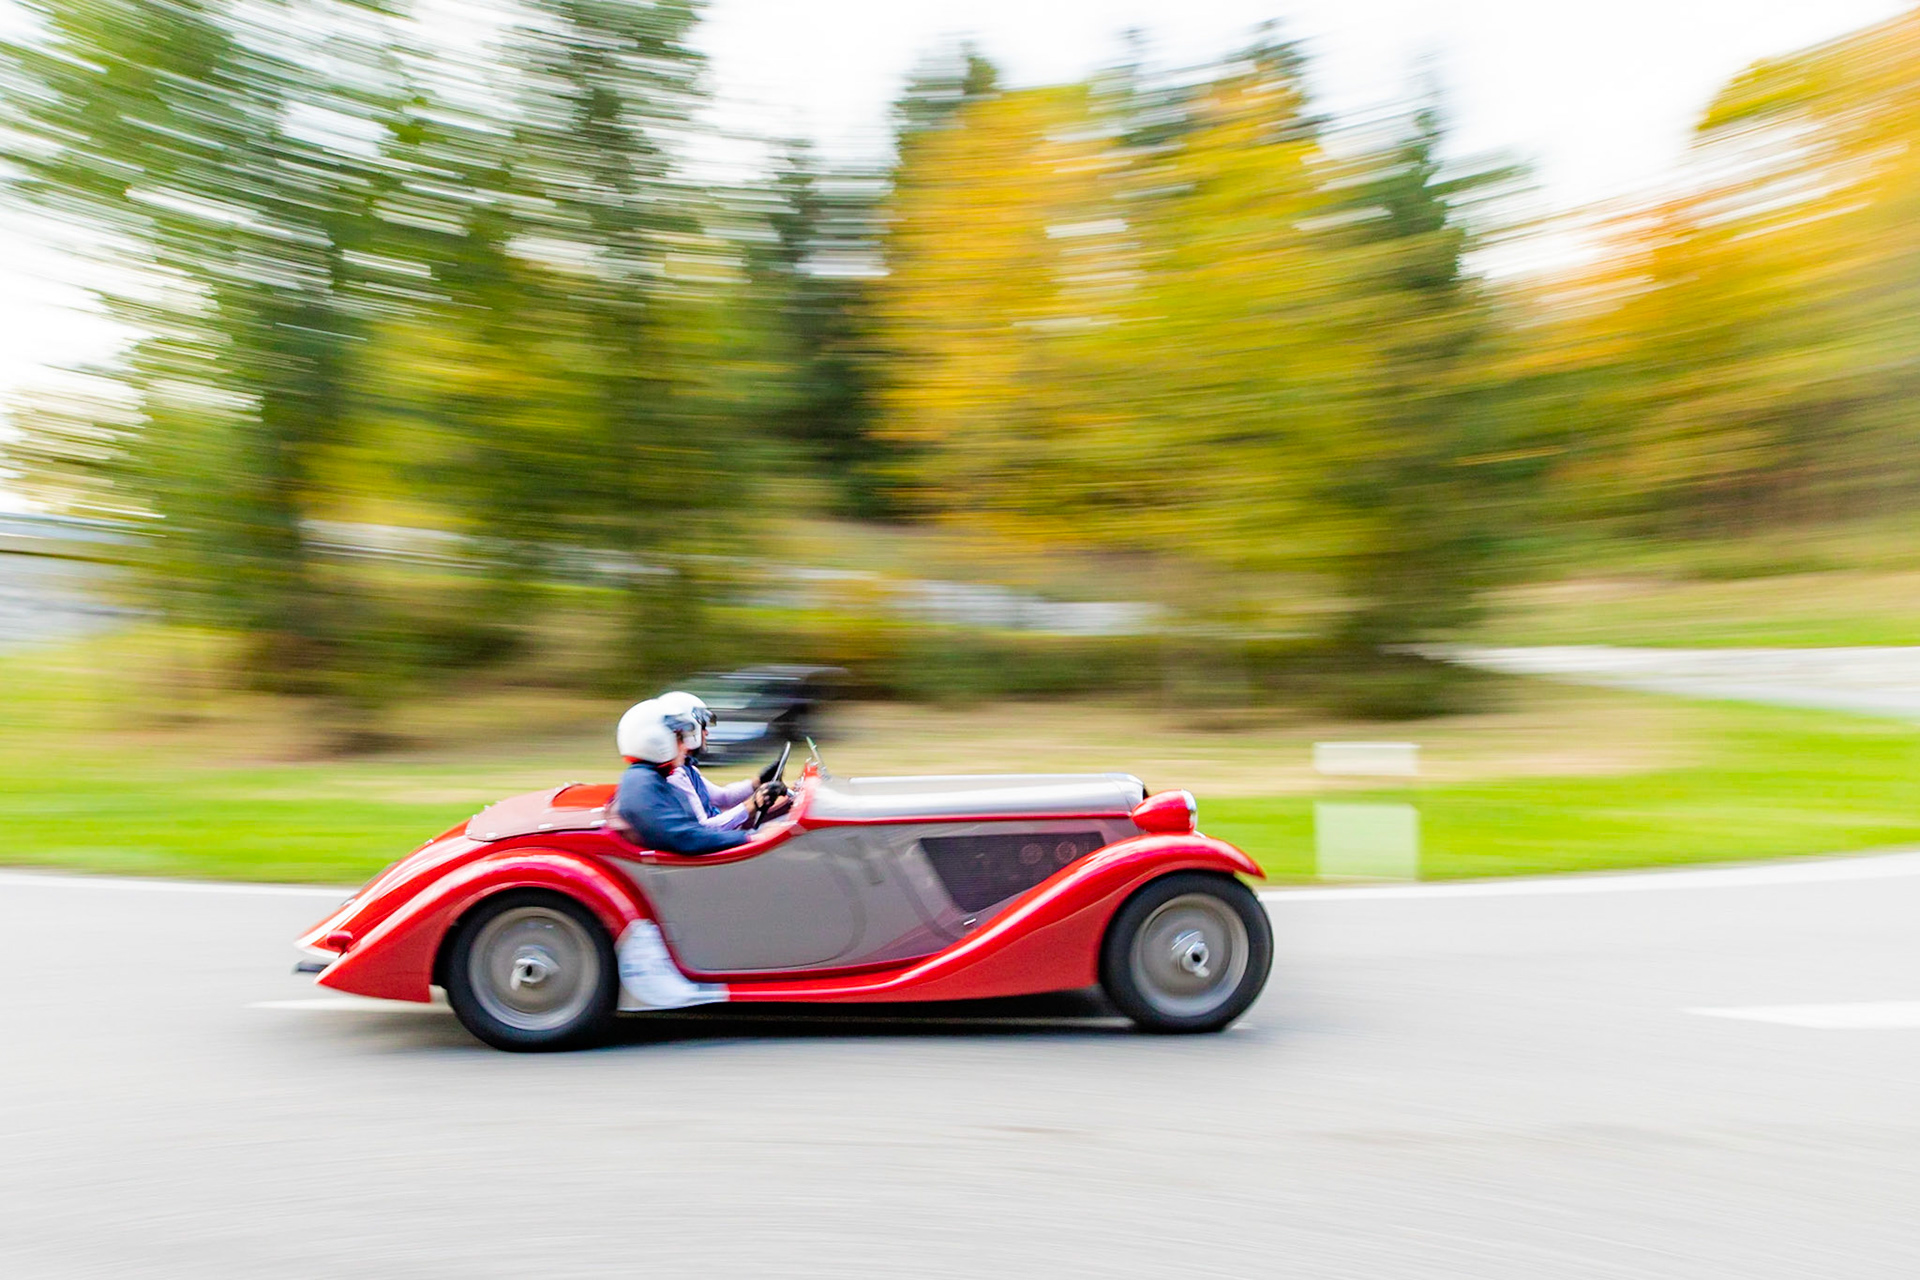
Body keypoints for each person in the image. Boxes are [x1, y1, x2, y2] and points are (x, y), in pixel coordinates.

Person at [611, 697, 786, 855]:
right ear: (656, 741)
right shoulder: (648, 783)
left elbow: (720, 798)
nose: (685, 745)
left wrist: (757, 783)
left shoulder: (651, 777)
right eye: (680, 738)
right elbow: (686, 837)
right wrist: (752, 836)